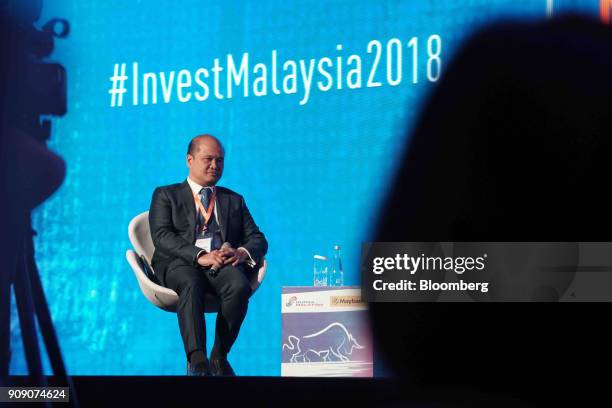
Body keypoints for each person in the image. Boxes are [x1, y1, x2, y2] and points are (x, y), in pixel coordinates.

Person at [149, 134, 267, 376]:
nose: (215, 166)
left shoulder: (233, 199)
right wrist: (199, 255)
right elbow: (161, 236)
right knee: (191, 282)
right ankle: (197, 360)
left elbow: (258, 239)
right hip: (179, 262)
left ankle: (219, 355)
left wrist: (240, 252)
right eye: (208, 159)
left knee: (239, 285)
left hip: (220, 264)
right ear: (190, 160)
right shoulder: (165, 194)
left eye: (220, 160)